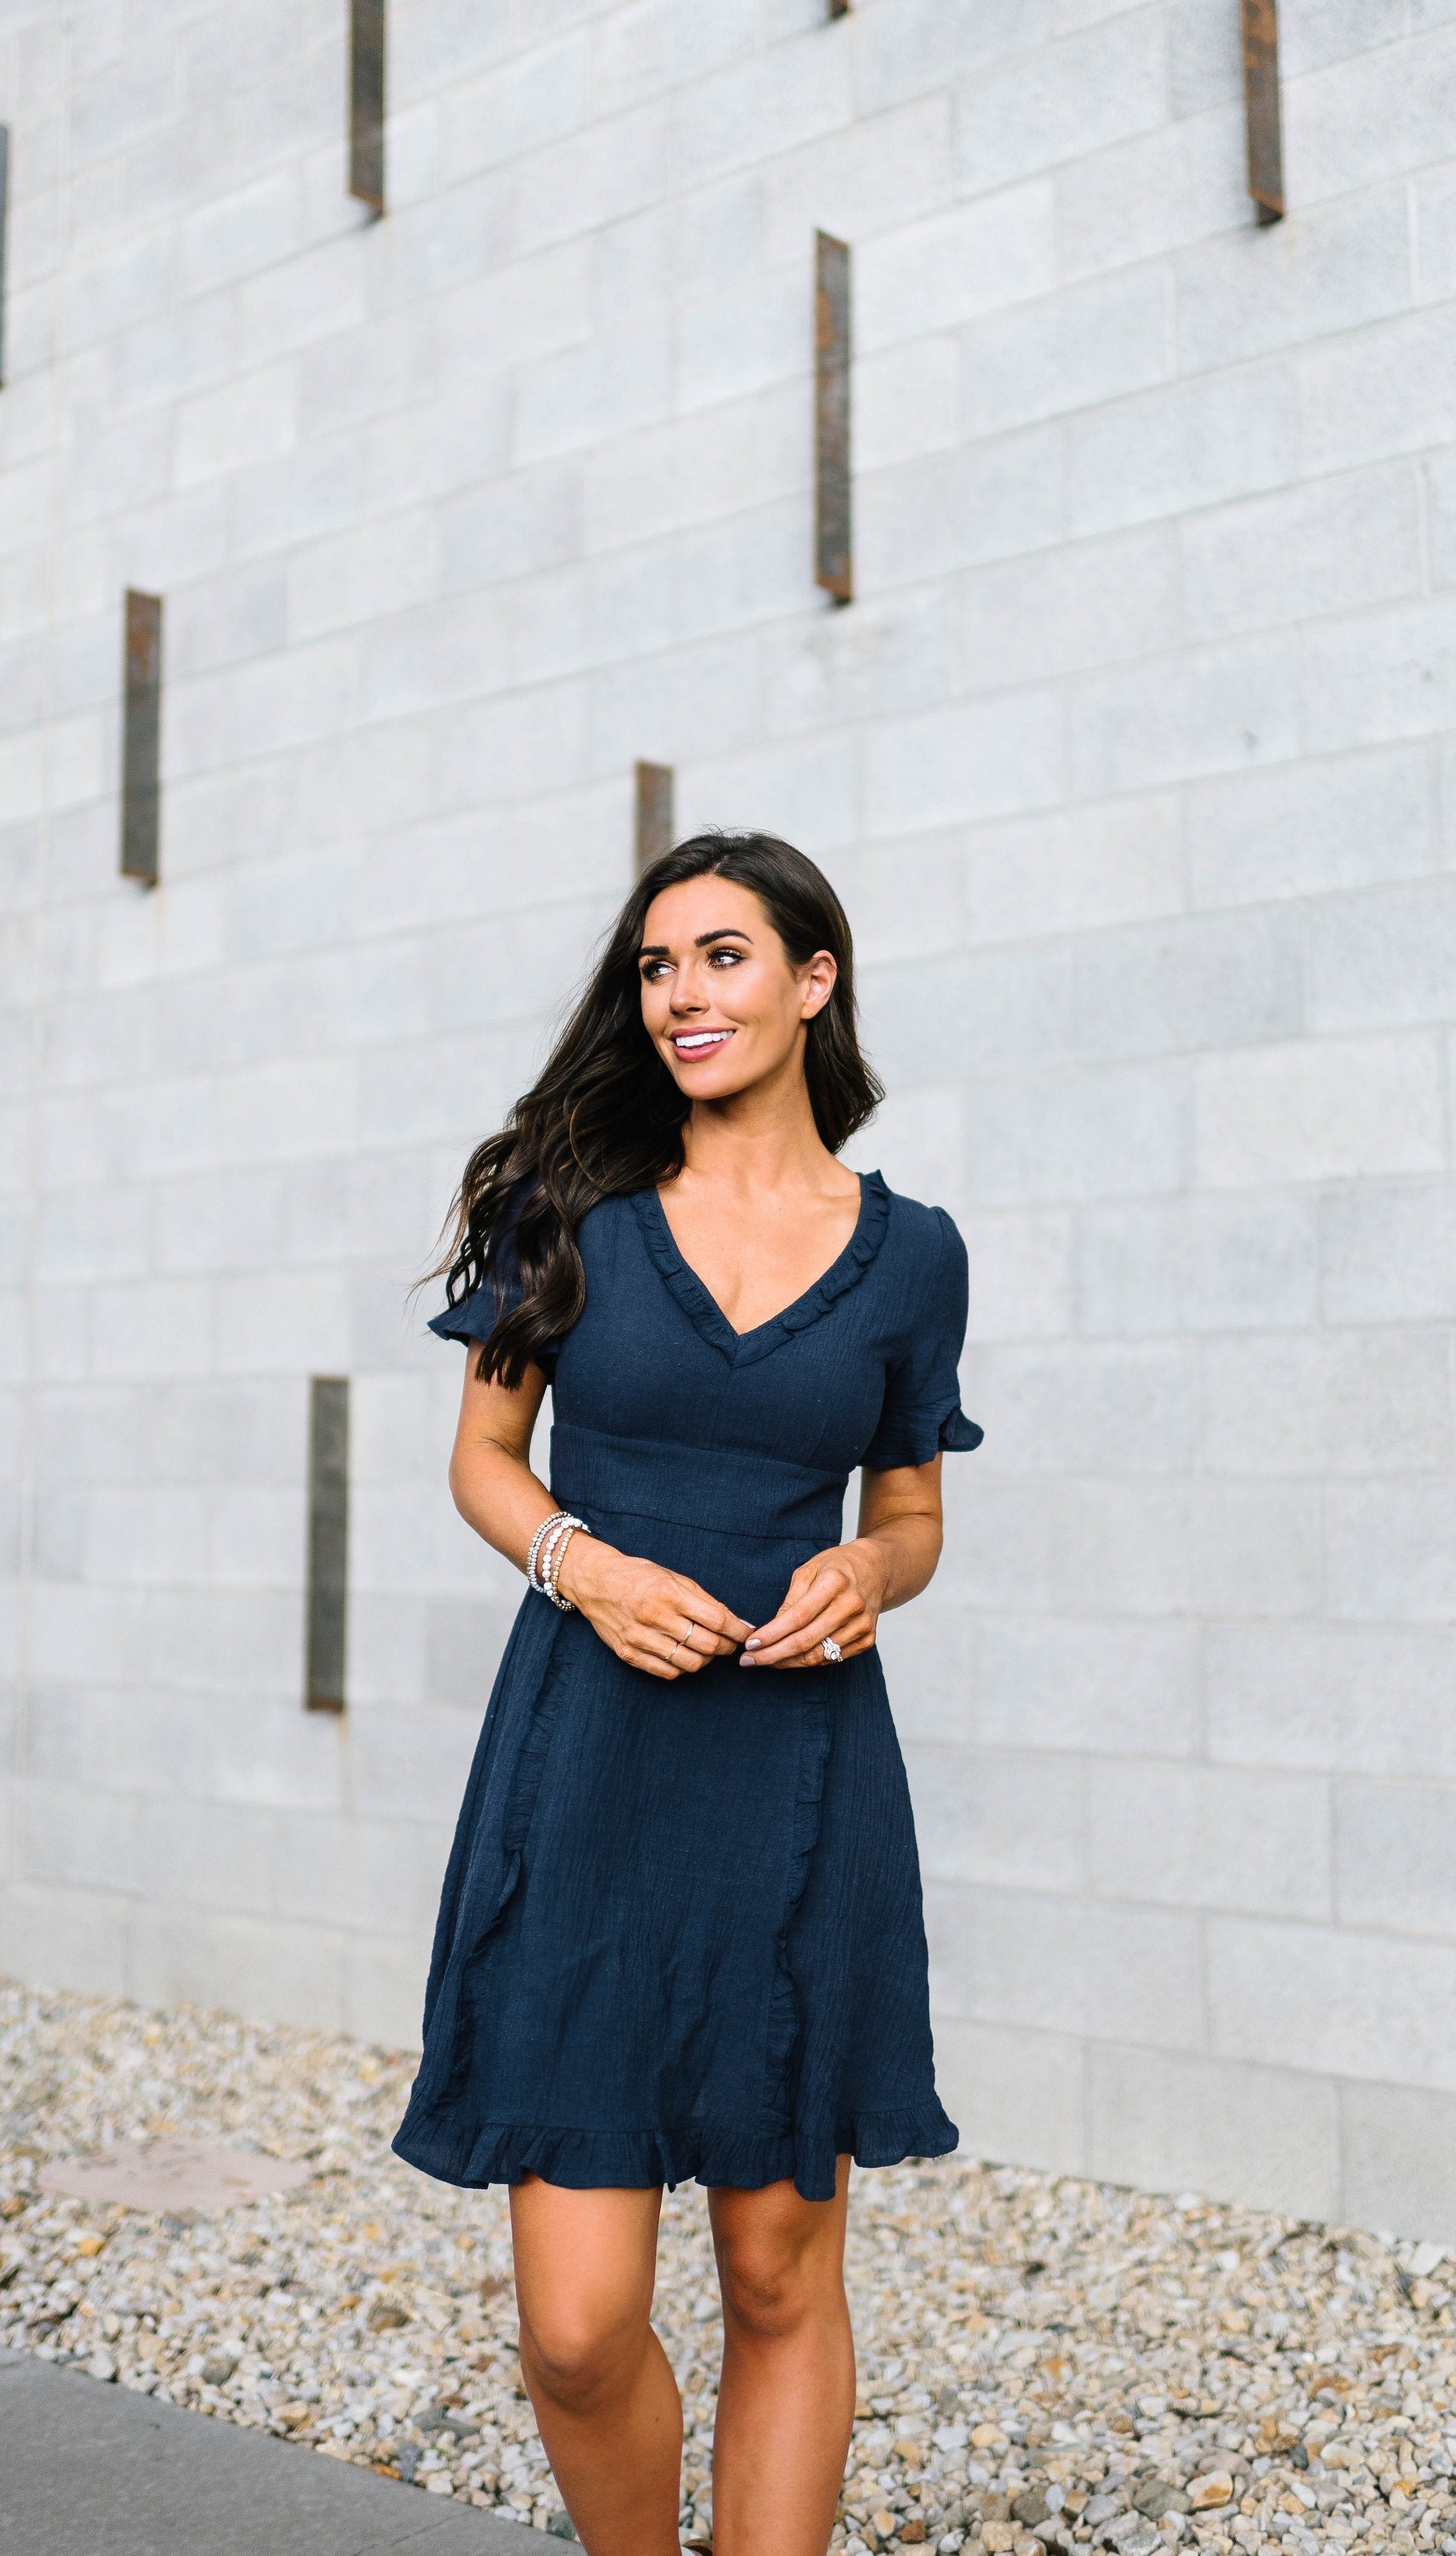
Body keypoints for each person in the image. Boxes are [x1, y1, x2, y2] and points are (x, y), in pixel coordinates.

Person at [393, 831, 982, 2556]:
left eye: (720, 958)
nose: (679, 998)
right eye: (657, 968)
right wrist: (580, 1563)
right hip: (584, 1769)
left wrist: (869, 1574)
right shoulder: (567, 1206)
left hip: (798, 1778)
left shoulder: (916, 1254)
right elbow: (484, 1460)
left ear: (812, 982)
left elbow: (915, 1512)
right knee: (576, 2328)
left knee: (773, 2268)